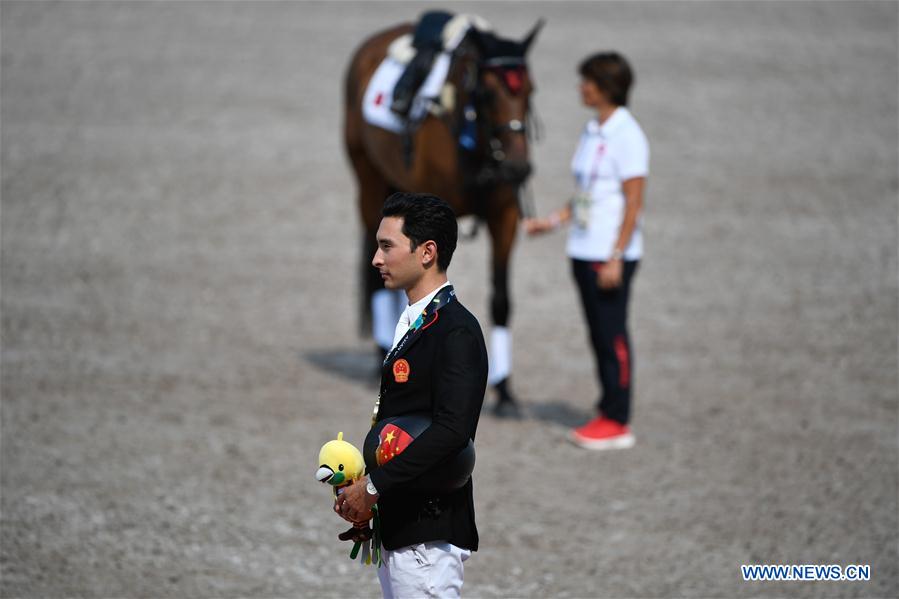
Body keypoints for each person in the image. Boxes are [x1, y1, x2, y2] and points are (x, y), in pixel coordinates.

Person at [336, 192, 488, 598]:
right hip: (402, 527)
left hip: (428, 539)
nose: (376, 259)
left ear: (427, 252)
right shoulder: (414, 320)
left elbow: (452, 430)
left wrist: (374, 487)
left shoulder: (456, 330)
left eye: (387, 246)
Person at [525, 51, 649, 450]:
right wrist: (552, 221)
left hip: (609, 255)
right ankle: (607, 406)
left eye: (588, 81)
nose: (581, 87)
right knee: (597, 334)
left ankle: (618, 418)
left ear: (607, 86)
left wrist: (616, 256)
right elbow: (586, 194)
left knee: (612, 335)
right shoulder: (593, 129)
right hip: (583, 248)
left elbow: (633, 203)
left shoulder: (628, 135)